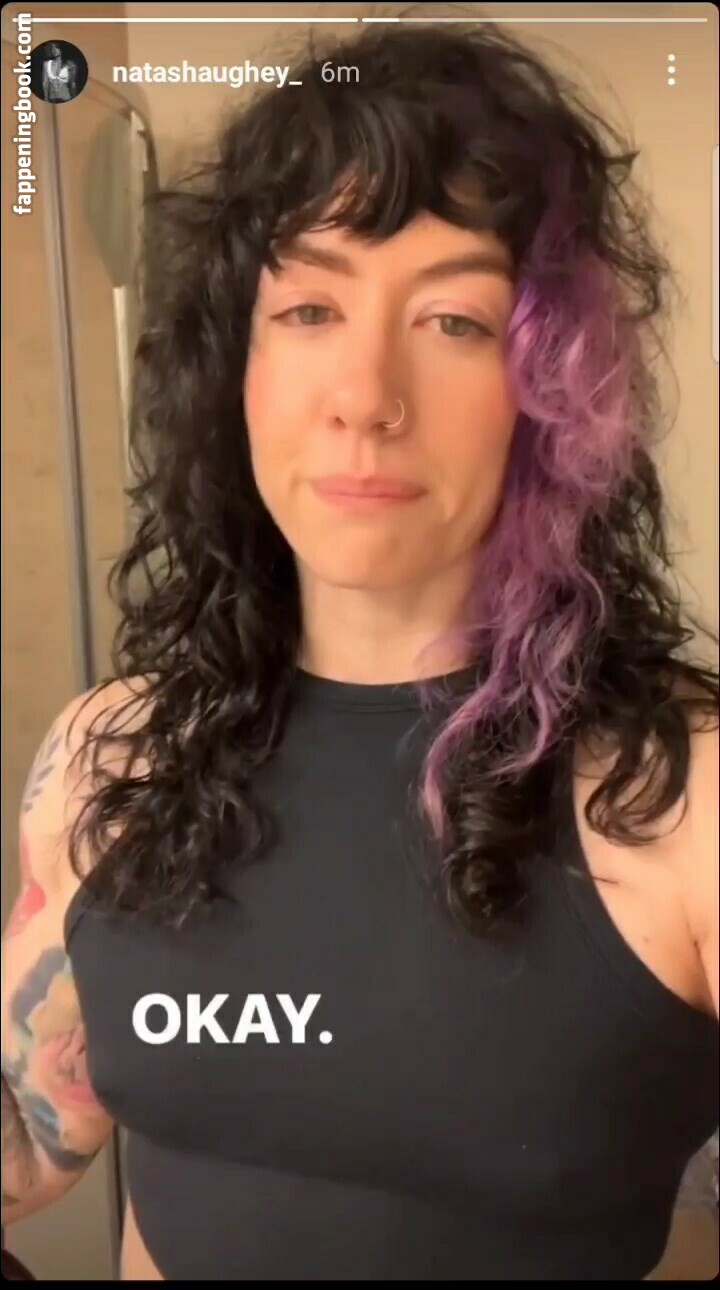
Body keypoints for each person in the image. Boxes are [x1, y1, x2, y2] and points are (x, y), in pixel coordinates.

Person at [2, 17, 718, 1282]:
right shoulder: (110, 755)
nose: (365, 397)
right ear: (235, 367)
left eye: (454, 321)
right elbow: (31, 1136)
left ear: (550, 389)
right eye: (310, 307)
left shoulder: (684, 797)